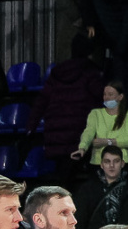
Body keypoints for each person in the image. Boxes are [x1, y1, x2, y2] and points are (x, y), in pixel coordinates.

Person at [29, 37, 103, 166]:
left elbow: (41, 101)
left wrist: (31, 127)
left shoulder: (57, 73)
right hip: (80, 133)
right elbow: (101, 96)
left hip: (56, 135)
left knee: (63, 173)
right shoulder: (90, 72)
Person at [77, 146, 128, 229]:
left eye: (116, 161)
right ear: (101, 165)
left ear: (122, 164)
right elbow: (80, 221)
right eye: (107, 161)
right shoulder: (87, 189)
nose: (111, 165)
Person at [74, 81, 128, 167]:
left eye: (110, 94)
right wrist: (82, 147)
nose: (106, 97)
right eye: (104, 94)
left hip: (123, 162)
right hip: (99, 162)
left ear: (120, 97)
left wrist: (107, 142)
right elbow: (88, 132)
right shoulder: (95, 113)